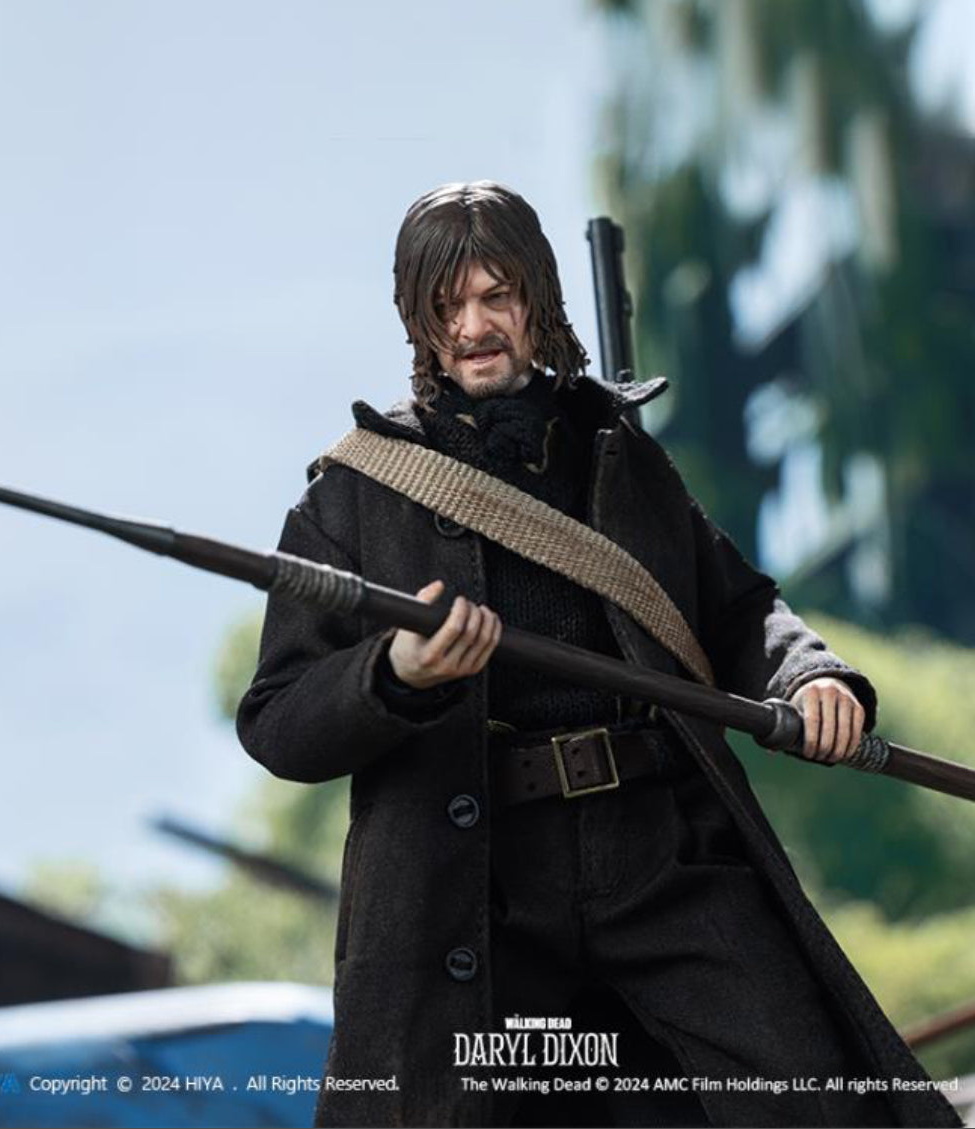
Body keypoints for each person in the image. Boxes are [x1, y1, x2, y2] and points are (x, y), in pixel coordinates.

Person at [236, 182, 961, 1128]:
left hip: (659, 849)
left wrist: (808, 672)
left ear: (537, 299)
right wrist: (392, 674)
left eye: (496, 296)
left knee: (816, 1103)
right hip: (476, 884)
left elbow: (737, 607)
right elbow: (279, 718)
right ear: (417, 319)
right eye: (447, 306)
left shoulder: (615, 450)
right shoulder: (354, 494)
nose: (474, 327)